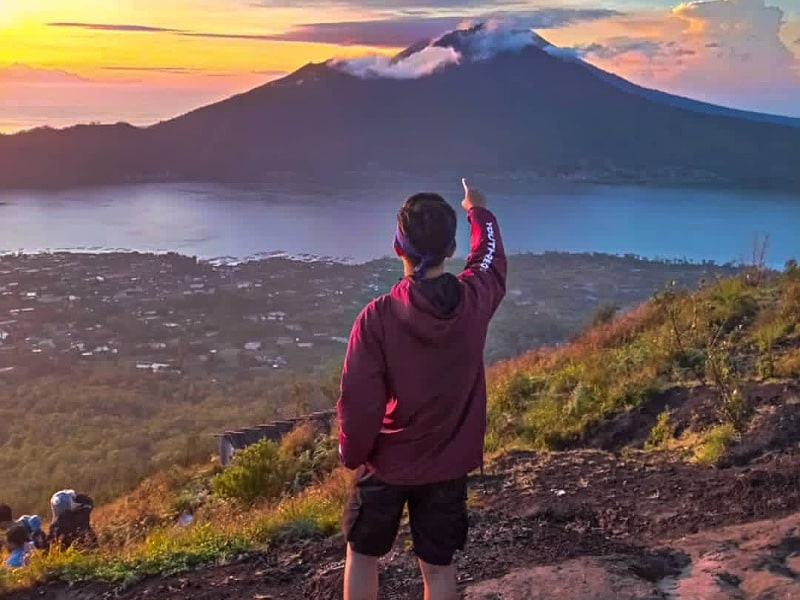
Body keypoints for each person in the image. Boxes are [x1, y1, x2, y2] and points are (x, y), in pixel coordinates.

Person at [337, 179, 506, 600]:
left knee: (362, 553)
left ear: (398, 248)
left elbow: (358, 405)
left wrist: (351, 454)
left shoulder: (377, 318)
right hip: (447, 467)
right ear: (450, 250)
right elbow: (489, 258)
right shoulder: (474, 300)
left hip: (386, 464)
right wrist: (478, 212)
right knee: (438, 565)